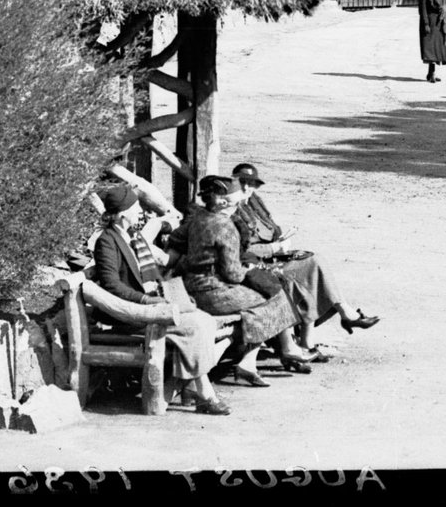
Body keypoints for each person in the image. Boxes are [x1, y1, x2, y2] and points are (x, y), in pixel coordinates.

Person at [90, 183, 232, 414]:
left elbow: (153, 271)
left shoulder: (132, 236)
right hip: (130, 312)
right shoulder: (107, 241)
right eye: (136, 207)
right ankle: (205, 394)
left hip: (149, 304)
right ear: (123, 214)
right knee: (194, 327)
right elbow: (112, 285)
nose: (141, 211)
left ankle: (191, 388)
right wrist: (146, 301)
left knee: (204, 320)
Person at [229, 162, 378, 355]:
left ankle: (315, 336)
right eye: (242, 183)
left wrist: (281, 242)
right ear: (234, 183)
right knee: (307, 273)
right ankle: (341, 317)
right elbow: (242, 250)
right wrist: (273, 248)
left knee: (314, 261)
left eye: (251, 184)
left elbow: (272, 230)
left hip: (273, 258)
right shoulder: (231, 210)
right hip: (256, 266)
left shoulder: (254, 204)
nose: (247, 188)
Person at [179, 176, 314, 383]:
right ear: (222, 202)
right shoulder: (225, 226)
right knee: (272, 299)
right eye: (236, 202)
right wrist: (248, 269)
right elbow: (232, 274)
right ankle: (271, 354)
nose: (239, 206)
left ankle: (252, 362)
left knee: (264, 298)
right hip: (213, 292)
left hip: (191, 286)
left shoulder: (199, 218)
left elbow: (176, 240)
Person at [417, 0, 446, 83]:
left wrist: (444, 18)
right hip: (430, 22)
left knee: (437, 48)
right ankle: (431, 73)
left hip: (440, 22)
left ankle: (430, 73)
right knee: (430, 48)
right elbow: (423, 9)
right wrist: (426, 24)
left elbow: (445, 5)